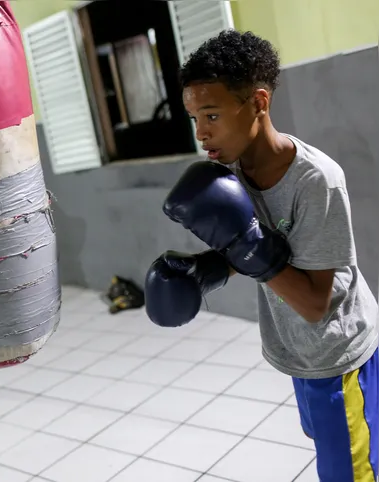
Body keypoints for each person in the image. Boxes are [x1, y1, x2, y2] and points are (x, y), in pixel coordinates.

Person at [144, 30, 378, 482]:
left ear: (258, 103)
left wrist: (246, 247)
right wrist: (208, 269)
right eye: (194, 117)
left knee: (351, 473)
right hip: (298, 354)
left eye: (211, 114)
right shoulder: (229, 173)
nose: (201, 132)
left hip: (340, 354)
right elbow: (258, 249)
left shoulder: (316, 182)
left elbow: (314, 303)